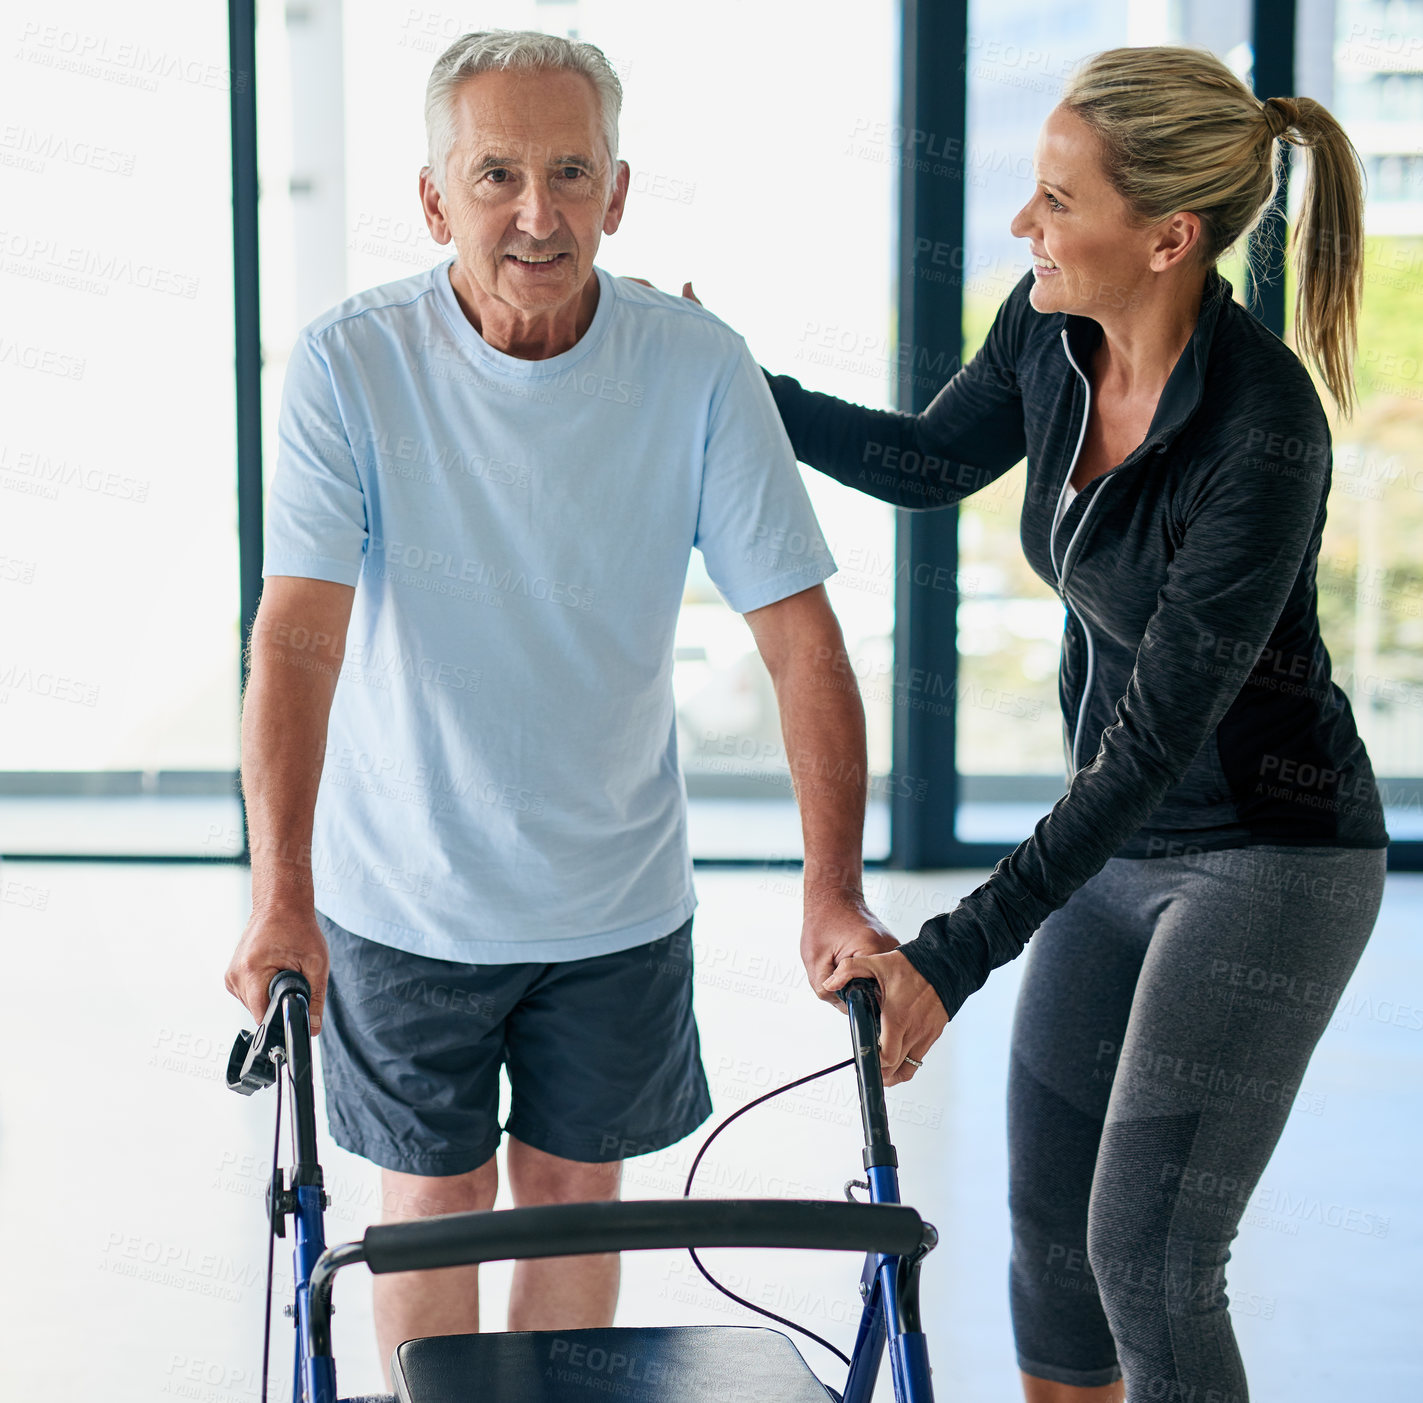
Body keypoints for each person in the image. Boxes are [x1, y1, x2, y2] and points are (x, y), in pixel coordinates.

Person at [223, 29, 893, 1384]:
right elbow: (297, 641)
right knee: (434, 1216)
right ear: (433, 201)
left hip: (617, 902)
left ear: (619, 193)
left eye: (570, 171)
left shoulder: (698, 367)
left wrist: (836, 893)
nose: (537, 212)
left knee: (582, 1206)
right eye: (496, 175)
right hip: (404, 895)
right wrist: (278, 893)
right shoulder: (351, 367)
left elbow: (803, 645)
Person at [744, 45, 1387, 1403]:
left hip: (1270, 855)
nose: (1023, 226)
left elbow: (1154, 742)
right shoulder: (1049, 330)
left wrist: (954, 955)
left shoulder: (1262, 431)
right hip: (1122, 842)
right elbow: (930, 462)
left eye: (1054, 201)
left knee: (1148, 1258)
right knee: (1050, 1249)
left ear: (1169, 237)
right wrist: (739, 391)